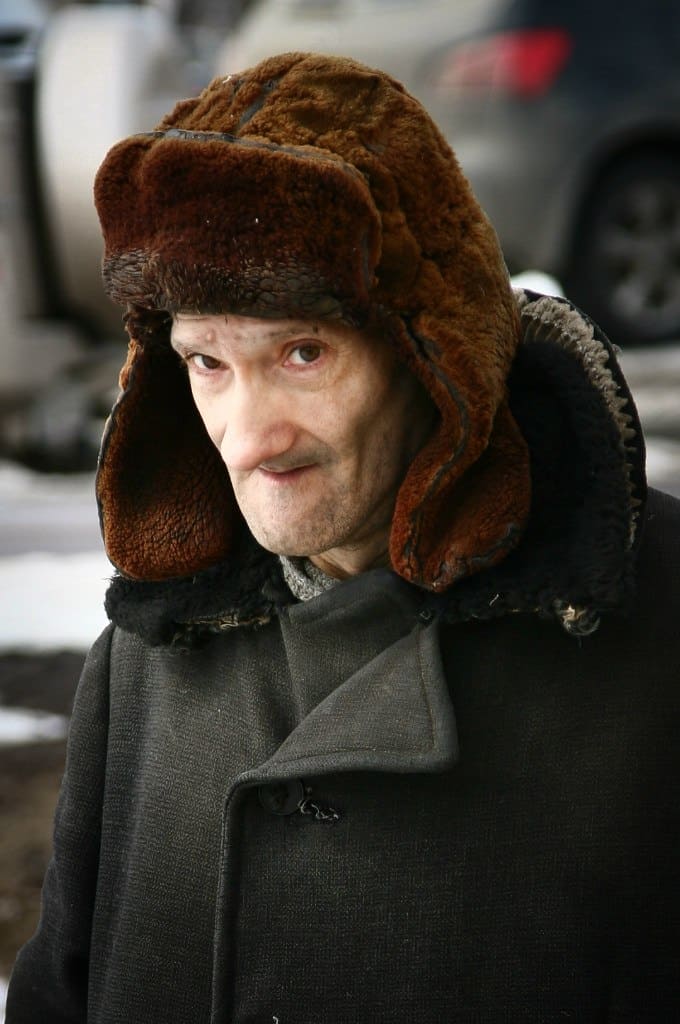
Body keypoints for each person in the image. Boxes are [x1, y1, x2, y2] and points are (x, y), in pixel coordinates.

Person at [7, 51, 680, 1023]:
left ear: (435, 353)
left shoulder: (658, 635)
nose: (248, 439)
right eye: (206, 362)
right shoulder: (147, 653)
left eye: (302, 352)